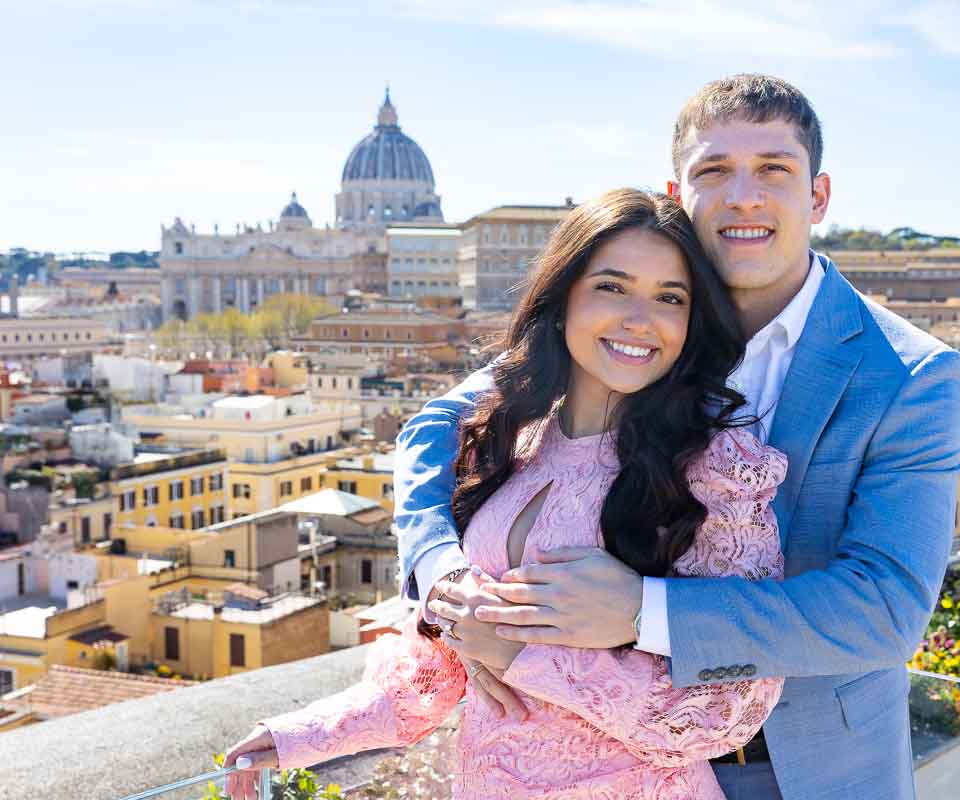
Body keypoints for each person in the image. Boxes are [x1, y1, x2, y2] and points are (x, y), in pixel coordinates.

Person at [389, 74, 960, 799]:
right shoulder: (641, 326)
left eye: (774, 171)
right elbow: (434, 426)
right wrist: (443, 577)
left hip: (809, 771)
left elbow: (885, 609)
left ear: (818, 196)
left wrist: (641, 611)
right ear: (678, 195)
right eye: (714, 171)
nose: (744, 197)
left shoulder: (914, 374)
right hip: (607, 762)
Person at [222, 188, 790, 799]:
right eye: (612, 286)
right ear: (563, 296)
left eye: (669, 298)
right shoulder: (509, 444)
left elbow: (730, 704)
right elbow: (438, 667)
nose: (639, 319)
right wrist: (293, 738)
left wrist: (523, 657)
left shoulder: (716, 470)